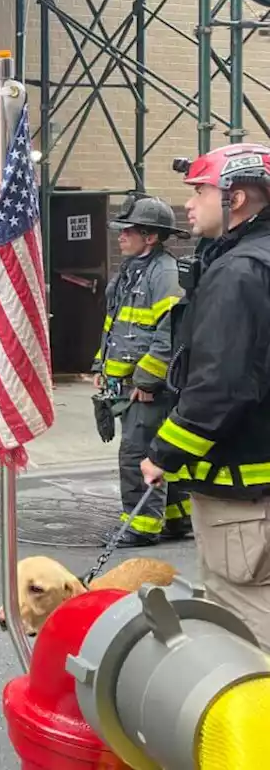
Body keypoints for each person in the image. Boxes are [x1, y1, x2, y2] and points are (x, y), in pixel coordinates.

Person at [142, 143, 270, 650]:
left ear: (235, 197)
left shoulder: (238, 272)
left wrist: (163, 453)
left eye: (199, 191)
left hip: (240, 496)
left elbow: (220, 386)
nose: (189, 204)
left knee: (247, 629)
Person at [92, 194, 188, 546]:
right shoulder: (131, 271)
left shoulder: (164, 273)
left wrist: (148, 379)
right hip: (127, 384)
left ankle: (141, 527)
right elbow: (115, 324)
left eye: (128, 230)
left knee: (138, 453)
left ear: (151, 236)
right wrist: (101, 365)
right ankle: (177, 520)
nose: (120, 236)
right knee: (156, 450)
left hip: (147, 388)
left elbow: (170, 332)